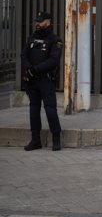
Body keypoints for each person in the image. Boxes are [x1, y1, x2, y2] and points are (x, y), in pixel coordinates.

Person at [20, 11, 63, 151]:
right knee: (33, 110)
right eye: (37, 21)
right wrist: (28, 69)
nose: (37, 24)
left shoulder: (55, 40)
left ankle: (56, 139)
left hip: (46, 80)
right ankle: (35, 140)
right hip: (32, 80)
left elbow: (53, 61)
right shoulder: (32, 38)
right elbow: (24, 55)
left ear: (48, 22)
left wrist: (36, 69)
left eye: (41, 21)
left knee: (50, 109)